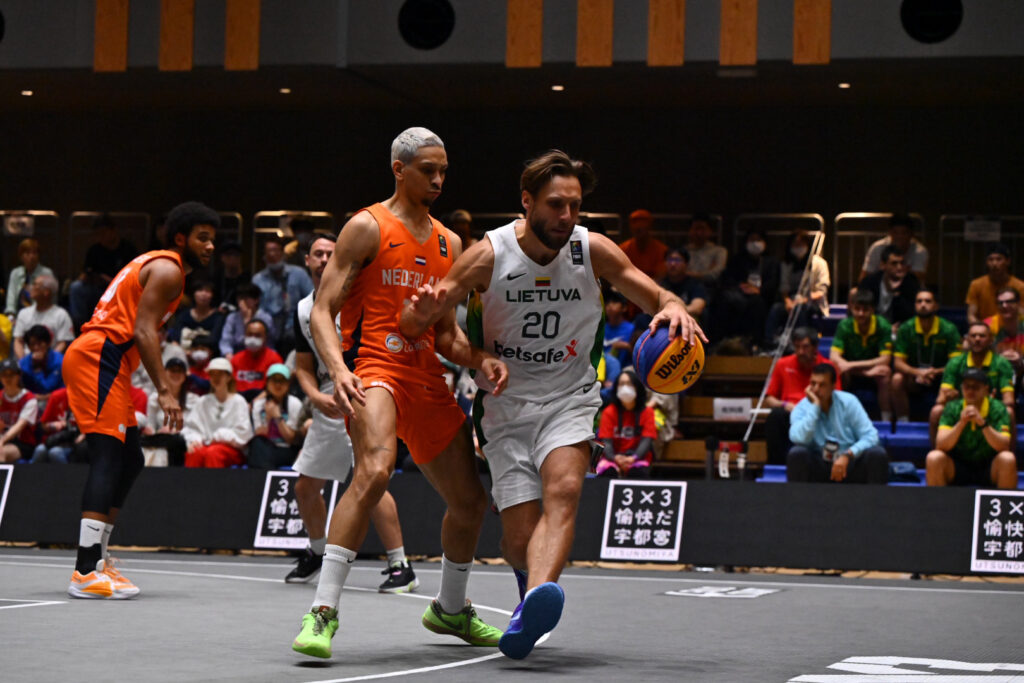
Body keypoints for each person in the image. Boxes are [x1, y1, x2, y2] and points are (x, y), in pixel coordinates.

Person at [399, 149, 702, 660]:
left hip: (570, 397)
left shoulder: (592, 250)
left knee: (564, 489)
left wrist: (676, 310)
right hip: (505, 406)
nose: (567, 216)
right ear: (527, 201)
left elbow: (657, 296)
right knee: (518, 539)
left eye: (575, 206)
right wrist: (432, 324)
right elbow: (419, 329)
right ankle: (530, 593)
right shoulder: (487, 256)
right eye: (556, 205)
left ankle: (536, 600)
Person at [291, 127, 508, 659]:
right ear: (399, 169)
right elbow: (322, 310)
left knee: (470, 501)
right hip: (373, 368)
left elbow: (448, 337)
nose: (438, 180)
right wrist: (337, 369)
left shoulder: (449, 243)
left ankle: (450, 609)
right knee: (374, 471)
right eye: (427, 170)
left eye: (443, 172)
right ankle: (322, 612)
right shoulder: (367, 226)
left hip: (425, 375)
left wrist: (480, 358)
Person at [61, 201, 216, 600]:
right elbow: (143, 330)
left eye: (212, 239)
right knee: (108, 458)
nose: (210, 246)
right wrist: (165, 390)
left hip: (109, 362)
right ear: (180, 238)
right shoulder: (168, 270)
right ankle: (85, 569)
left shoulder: (160, 266)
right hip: (99, 357)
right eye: (202, 238)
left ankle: (99, 559)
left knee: (130, 459)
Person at [286, 236, 417, 593]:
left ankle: (401, 564)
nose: (324, 258)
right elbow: (303, 367)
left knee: (369, 477)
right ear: (308, 261)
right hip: (328, 400)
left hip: (364, 391)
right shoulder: (303, 309)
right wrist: (316, 397)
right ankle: (317, 550)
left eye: (330, 253)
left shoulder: (359, 297)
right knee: (306, 487)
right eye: (318, 254)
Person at [787, 363, 889, 484]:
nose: (816, 389)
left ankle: (875, 497)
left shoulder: (849, 402)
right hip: (819, 464)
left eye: (822, 385)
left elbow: (871, 436)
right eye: (813, 384)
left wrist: (848, 455)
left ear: (833, 386)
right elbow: (798, 439)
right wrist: (815, 407)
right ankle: (798, 496)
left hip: (849, 463)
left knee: (877, 454)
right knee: (797, 454)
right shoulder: (801, 407)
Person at [927, 368, 1017, 489]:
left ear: (986, 389)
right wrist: (961, 423)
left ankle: (1004, 501)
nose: (970, 391)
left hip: (988, 466)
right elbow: (941, 444)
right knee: (934, 457)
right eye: (966, 386)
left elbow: (1004, 446)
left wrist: (982, 423)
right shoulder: (952, 408)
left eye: (975, 387)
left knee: (1007, 459)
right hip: (958, 465)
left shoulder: (998, 408)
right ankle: (938, 501)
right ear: (961, 388)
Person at [763, 327, 841, 464]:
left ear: (815, 347)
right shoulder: (782, 364)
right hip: (790, 413)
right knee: (775, 416)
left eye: (805, 347)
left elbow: (836, 398)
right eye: (797, 347)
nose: (800, 352)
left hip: (819, 414)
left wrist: (815, 405)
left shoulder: (828, 367)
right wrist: (785, 404)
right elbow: (769, 399)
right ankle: (777, 466)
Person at [931, 321, 1015, 444]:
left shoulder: (1002, 363)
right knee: (937, 411)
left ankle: (1009, 453)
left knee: (1009, 412)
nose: (977, 339)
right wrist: (953, 396)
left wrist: (989, 402)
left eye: (982, 336)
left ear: (991, 340)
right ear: (967, 339)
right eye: (973, 336)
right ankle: (938, 451)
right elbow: (940, 399)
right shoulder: (955, 363)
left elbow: (1009, 400)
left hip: (991, 409)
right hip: (960, 407)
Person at [892, 288, 962, 422]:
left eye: (928, 301)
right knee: (897, 379)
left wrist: (935, 372)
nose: (923, 304)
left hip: (941, 377)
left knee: (958, 380)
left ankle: (947, 422)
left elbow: (956, 364)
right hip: (914, 377)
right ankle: (903, 423)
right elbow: (898, 363)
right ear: (915, 305)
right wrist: (918, 372)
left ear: (936, 306)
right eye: (919, 301)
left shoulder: (949, 329)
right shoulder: (906, 328)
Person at [830, 289, 893, 420]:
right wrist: (857, 370)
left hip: (872, 370)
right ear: (851, 308)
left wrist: (851, 365)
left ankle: (886, 419)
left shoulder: (883, 326)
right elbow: (834, 356)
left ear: (872, 310)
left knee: (885, 372)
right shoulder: (844, 325)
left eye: (865, 310)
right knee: (837, 368)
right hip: (851, 373)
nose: (860, 313)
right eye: (857, 309)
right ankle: (839, 417)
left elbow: (885, 359)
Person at [68, 213, 139, 329]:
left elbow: (134, 277)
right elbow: (86, 272)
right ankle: (80, 327)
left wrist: (110, 281)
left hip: (120, 290)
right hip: (97, 289)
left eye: (103, 233)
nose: (100, 237)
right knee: (76, 287)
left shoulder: (128, 249)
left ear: (113, 231)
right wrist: (87, 277)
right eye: (97, 234)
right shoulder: (94, 250)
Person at [181, 357, 252, 467]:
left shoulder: (239, 401)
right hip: (206, 446)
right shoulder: (203, 401)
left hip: (231, 449)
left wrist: (219, 436)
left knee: (213, 453)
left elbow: (243, 434)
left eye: (220, 374)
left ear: (228, 377)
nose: (216, 378)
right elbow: (192, 427)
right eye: (212, 374)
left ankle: (214, 479)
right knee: (194, 452)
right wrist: (195, 440)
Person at [766, 229, 830, 345]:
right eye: (795, 244)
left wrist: (803, 300)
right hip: (791, 300)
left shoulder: (819, 263)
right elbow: (784, 287)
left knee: (799, 309)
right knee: (776, 309)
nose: (798, 247)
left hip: (812, 301)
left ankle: (801, 343)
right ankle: (771, 343)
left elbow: (821, 291)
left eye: (801, 244)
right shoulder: (786, 263)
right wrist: (787, 301)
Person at [252, 235, 313, 354]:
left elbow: (311, 299)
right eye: (269, 251)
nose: (272, 254)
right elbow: (255, 308)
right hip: (268, 330)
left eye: (276, 250)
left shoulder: (298, 274)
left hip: (293, 328)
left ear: (282, 253)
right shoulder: (258, 280)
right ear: (264, 256)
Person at [717, 229, 780, 346]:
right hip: (740, 293)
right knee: (726, 300)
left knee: (757, 303)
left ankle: (756, 342)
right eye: (752, 240)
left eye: (758, 240)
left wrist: (759, 290)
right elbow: (729, 278)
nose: (755, 243)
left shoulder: (771, 262)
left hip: (763, 295)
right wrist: (741, 287)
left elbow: (773, 283)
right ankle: (727, 340)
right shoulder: (738, 260)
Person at [596, 370, 657, 478]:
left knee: (637, 474)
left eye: (629, 384)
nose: (625, 387)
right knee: (609, 473)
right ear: (616, 388)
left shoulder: (647, 412)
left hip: (638, 458)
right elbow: (606, 442)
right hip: (612, 458)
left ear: (637, 387)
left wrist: (633, 458)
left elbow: (646, 441)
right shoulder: (608, 412)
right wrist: (615, 458)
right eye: (622, 384)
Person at [141, 357, 195, 467]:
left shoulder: (193, 399)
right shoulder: (155, 398)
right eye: (172, 370)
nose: (176, 374)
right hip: (160, 440)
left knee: (176, 443)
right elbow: (150, 425)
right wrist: (153, 431)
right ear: (165, 374)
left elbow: (194, 426)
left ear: (185, 375)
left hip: (183, 441)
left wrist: (174, 431)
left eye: (179, 371)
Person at [249, 364, 302, 469]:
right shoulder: (258, 404)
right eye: (274, 380)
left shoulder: (295, 403)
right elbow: (259, 434)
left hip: (287, 449)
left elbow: (291, 439)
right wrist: (268, 418)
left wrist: (278, 417)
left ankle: (264, 474)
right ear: (267, 383)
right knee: (257, 444)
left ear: (288, 384)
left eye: (282, 380)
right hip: (265, 448)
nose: (278, 384)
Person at [12, 274, 74, 358]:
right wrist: (24, 362)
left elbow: (63, 343)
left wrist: (47, 361)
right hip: (26, 361)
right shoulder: (23, 313)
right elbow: (18, 341)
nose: (31, 287)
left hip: (52, 362)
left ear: (46, 292)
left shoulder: (61, 315)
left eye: (35, 284)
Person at [857, 246, 920, 326]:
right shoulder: (870, 282)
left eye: (902, 263)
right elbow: (863, 308)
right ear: (883, 265)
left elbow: (910, 314)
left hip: (900, 328)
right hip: (873, 326)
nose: (899, 267)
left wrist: (896, 294)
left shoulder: (911, 283)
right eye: (894, 263)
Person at [966, 243, 1024, 325]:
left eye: (999, 259)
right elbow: (971, 316)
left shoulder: (1020, 286)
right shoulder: (976, 285)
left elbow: (1022, 314)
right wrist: (982, 329)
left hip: (1011, 329)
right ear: (986, 262)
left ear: (1008, 261)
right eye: (991, 259)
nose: (994, 263)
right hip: (984, 329)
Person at [860, 213, 928, 281]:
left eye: (904, 233)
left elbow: (918, 281)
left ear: (911, 234)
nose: (900, 237)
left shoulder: (919, 251)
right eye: (895, 232)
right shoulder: (877, 248)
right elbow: (864, 279)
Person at [230, 319, 283, 400]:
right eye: (249, 334)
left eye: (257, 335)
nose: (253, 338)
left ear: (265, 337)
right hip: (238, 399)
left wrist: (254, 403)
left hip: (264, 400)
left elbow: (276, 388)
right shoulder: (236, 359)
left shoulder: (275, 360)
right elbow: (230, 387)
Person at [32, 387, 84, 465]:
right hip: (53, 440)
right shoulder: (57, 396)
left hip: (71, 443)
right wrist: (53, 425)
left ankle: (68, 473)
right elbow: (43, 425)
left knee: (55, 452)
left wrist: (83, 434)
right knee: (40, 450)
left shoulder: (85, 398)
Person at [220, 283, 276, 356]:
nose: (242, 303)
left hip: (260, 353)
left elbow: (268, 342)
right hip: (237, 353)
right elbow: (226, 340)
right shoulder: (232, 317)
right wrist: (228, 354)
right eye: (240, 299)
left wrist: (247, 322)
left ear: (256, 300)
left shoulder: (265, 318)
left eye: (246, 299)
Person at [168, 280, 224, 352]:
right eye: (200, 290)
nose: (203, 294)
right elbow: (175, 338)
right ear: (193, 293)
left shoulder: (218, 317)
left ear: (213, 295)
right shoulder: (183, 315)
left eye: (207, 291)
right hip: (183, 352)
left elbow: (214, 340)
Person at [0, 358, 38, 463]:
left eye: (11, 374)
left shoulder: (29, 399)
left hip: (22, 443)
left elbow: (20, 426)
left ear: (19, 376)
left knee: (0, 452)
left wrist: (2, 440)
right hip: (2, 438)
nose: (8, 378)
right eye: (4, 375)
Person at [5, 238, 54, 317]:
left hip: (40, 316)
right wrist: (11, 316)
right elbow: (11, 299)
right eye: (27, 253)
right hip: (17, 316)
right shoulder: (15, 273)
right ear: (21, 256)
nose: (31, 256)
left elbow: (51, 302)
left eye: (34, 253)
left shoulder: (47, 274)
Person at [984, 286, 1024, 384]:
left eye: (1009, 302)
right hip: (995, 370)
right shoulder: (988, 325)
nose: (1004, 306)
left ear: (1018, 303)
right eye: (1000, 303)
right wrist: (998, 359)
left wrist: (1020, 361)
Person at [657, 247, 707, 318]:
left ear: (686, 264)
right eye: (669, 260)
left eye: (677, 260)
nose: (673, 264)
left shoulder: (695, 284)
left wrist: (673, 311)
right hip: (662, 319)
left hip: (687, 320)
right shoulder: (660, 284)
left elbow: (697, 309)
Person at [619, 209, 668, 280]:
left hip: (653, 285)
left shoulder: (662, 251)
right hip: (628, 284)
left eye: (642, 228)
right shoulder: (623, 249)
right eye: (636, 229)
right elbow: (619, 274)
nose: (639, 228)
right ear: (631, 228)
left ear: (650, 227)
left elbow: (661, 277)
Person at [18, 325, 63, 398]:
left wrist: (37, 368)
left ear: (48, 343)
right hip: (30, 399)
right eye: (32, 344)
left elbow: (47, 388)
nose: (36, 347)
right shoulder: (23, 364)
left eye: (39, 343)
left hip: (57, 399)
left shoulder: (59, 361)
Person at [684, 212, 727, 285]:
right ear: (690, 231)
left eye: (703, 229)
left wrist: (689, 274)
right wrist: (706, 273)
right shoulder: (683, 251)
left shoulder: (719, 251)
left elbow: (715, 274)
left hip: (710, 288)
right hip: (686, 287)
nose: (699, 233)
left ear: (710, 231)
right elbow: (677, 274)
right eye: (696, 229)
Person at [213, 240, 250, 308]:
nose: (232, 258)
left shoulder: (247, 279)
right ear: (222, 257)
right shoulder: (216, 278)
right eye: (228, 254)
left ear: (240, 257)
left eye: (236, 255)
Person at [602, 291, 634, 361]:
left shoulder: (632, 329)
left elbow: (638, 354)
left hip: (625, 366)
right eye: (607, 303)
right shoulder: (601, 329)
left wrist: (627, 346)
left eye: (614, 302)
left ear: (624, 308)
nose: (610, 305)